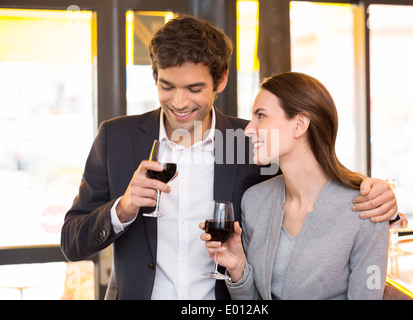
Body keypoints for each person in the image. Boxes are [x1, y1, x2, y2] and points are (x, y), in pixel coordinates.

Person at [61, 15, 396, 300]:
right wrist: (124, 207)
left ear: (220, 81)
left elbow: (311, 172)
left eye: (194, 89)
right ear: (155, 77)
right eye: (167, 87)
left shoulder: (246, 141)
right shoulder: (117, 139)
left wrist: (372, 191)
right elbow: (72, 242)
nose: (178, 102)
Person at [201, 72, 389, 300]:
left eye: (261, 116)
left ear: (299, 124)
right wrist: (238, 268)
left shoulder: (365, 209)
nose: (248, 129)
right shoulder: (255, 200)